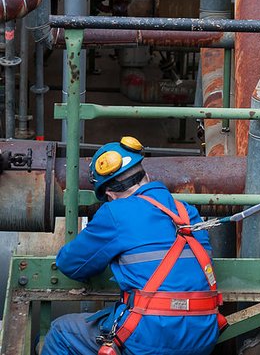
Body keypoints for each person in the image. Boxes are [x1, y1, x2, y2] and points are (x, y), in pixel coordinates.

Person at [41, 136, 225, 355]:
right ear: (145, 174)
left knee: (61, 332)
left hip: (152, 336)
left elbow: (70, 264)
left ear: (109, 194)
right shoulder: (187, 211)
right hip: (203, 334)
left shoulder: (115, 212)